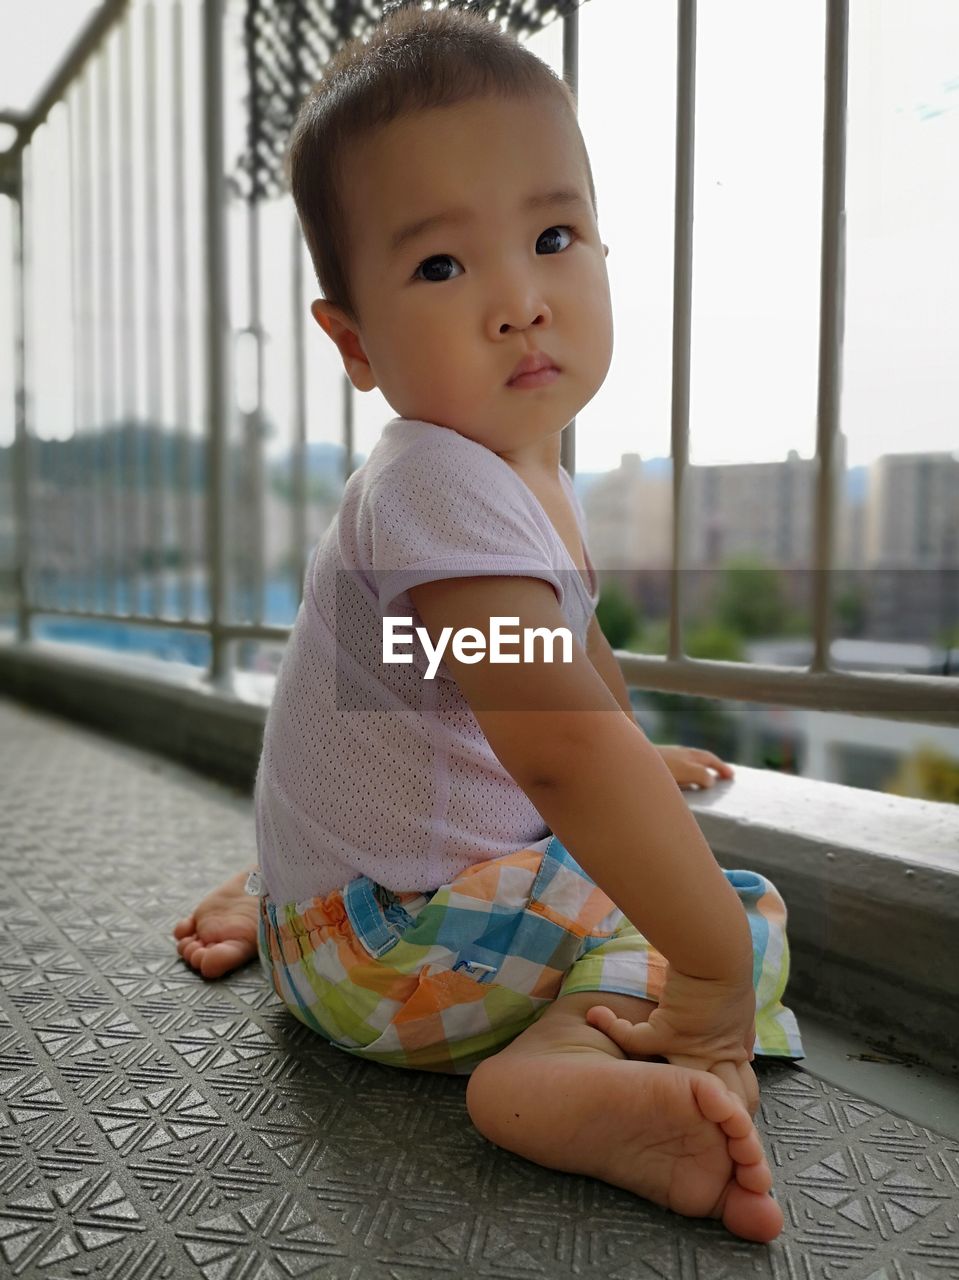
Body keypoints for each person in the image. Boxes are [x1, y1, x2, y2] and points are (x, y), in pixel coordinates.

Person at [174, 4, 803, 1244]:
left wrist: (633, 743)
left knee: (647, 840)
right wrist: (717, 977)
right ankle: (569, 1063)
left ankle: (307, 899)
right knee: (732, 906)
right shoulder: (438, 487)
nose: (520, 300)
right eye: (442, 266)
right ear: (353, 342)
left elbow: (532, 672)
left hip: (344, 925)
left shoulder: (511, 470)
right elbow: (560, 748)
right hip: (391, 962)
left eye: (554, 236)